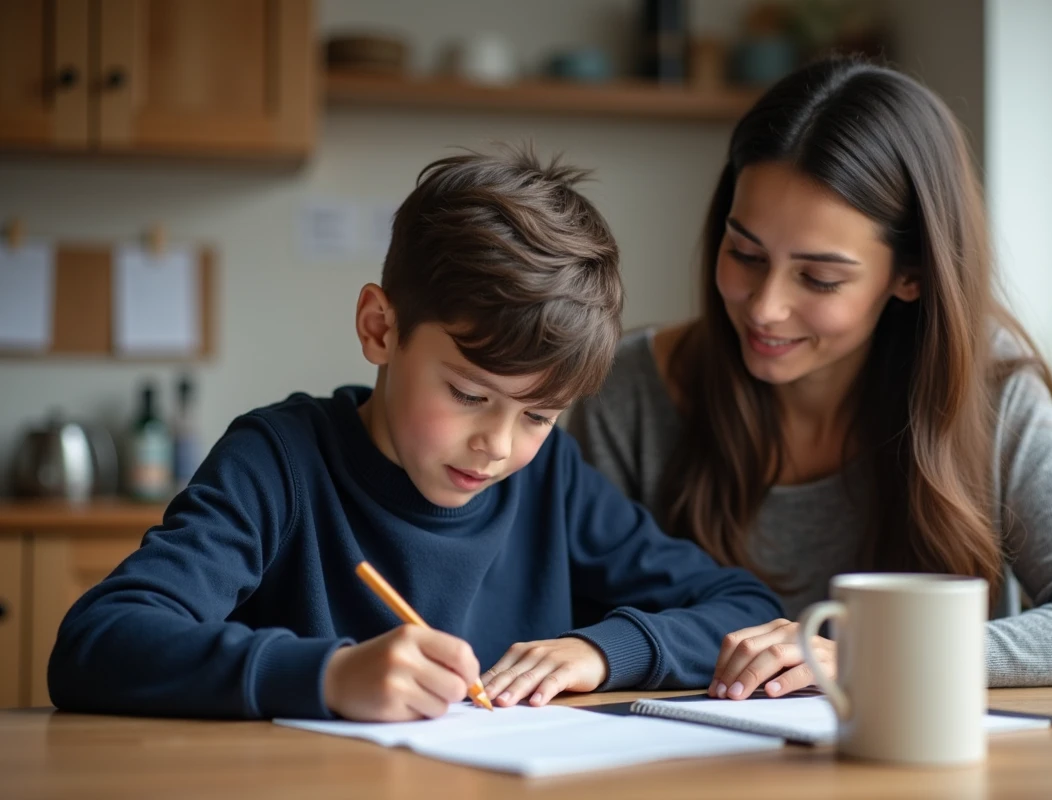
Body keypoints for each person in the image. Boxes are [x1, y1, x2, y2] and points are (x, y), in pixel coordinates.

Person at [47, 147, 783, 722]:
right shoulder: (281, 463)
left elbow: (744, 608)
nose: (498, 445)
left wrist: (603, 649)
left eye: (538, 413)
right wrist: (329, 675)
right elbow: (98, 641)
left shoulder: (547, 476)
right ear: (380, 327)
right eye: (468, 394)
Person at [569, 58, 1052, 699]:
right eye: (744, 253)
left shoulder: (987, 391)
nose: (766, 306)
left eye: (819, 278)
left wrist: (872, 653)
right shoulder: (630, 391)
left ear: (910, 274)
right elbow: (576, 622)